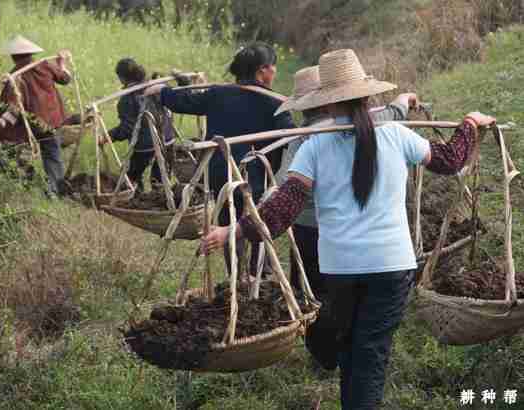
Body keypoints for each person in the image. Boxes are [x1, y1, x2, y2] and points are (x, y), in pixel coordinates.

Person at [201, 49, 495, 410]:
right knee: (368, 353)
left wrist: (232, 231)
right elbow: (451, 161)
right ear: (369, 96)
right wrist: (469, 123)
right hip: (392, 267)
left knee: (352, 346)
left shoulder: (314, 147)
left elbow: (282, 209)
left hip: (341, 268)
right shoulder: (397, 135)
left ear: (325, 105)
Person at [272, 65, 419, 370]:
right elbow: (392, 115)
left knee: (313, 292)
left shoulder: (302, 139)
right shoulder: (329, 136)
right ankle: (337, 349)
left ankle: (324, 353)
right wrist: (404, 101)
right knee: (332, 297)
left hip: (310, 230)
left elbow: (285, 188)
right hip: (332, 232)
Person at [144, 42, 296, 275]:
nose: (274, 72)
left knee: (228, 220)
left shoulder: (218, 93)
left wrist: (162, 92)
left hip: (220, 176)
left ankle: (236, 274)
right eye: (274, 67)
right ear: (263, 70)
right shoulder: (275, 102)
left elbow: (184, 102)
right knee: (254, 223)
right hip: (254, 177)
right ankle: (258, 275)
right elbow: (289, 136)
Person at [0, 35, 71, 198]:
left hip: (31, 122)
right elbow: (65, 79)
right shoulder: (44, 65)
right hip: (51, 120)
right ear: (30, 54)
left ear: (14, 57)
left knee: (16, 150)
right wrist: (62, 63)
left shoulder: (15, 76)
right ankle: (54, 190)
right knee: (52, 154)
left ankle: (30, 180)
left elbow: (14, 107)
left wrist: (3, 121)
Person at [106, 58, 176, 190]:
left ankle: (135, 198)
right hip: (168, 139)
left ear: (122, 78)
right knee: (161, 179)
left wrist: (109, 136)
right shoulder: (158, 86)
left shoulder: (127, 99)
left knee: (132, 177)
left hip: (146, 145)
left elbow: (127, 128)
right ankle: (161, 201)